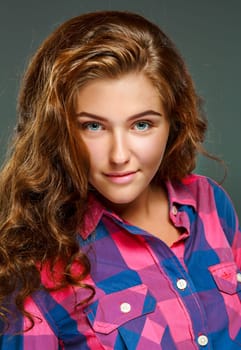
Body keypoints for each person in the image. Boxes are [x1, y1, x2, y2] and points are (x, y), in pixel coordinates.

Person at [0, 10, 240, 350]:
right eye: (93, 126)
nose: (119, 155)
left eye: (141, 124)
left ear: (174, 120)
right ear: (57, 131)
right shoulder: (36, 259)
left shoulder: (210, 203)